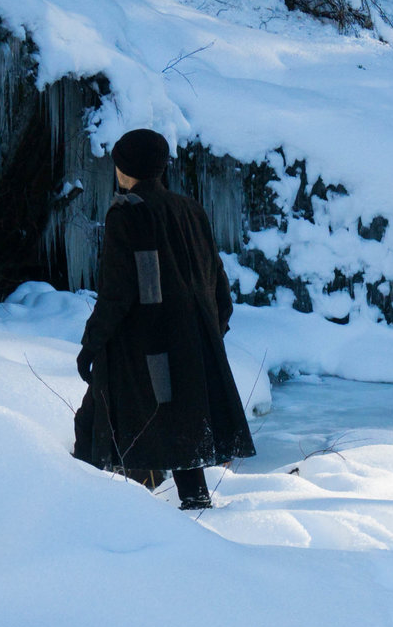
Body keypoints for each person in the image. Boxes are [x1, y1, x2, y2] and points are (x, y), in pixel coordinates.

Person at [71, 128, 255, 508]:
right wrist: (208, 335)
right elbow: (218, 284)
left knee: (96, 426)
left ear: (127, 168)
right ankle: (195, 505)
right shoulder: (191, 210)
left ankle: (94, 513)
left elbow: (118, 295)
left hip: (144, 352)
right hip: (192, 346)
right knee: (181, 431)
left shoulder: (128, 214)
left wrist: (91, 345)